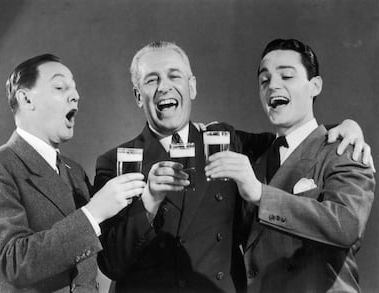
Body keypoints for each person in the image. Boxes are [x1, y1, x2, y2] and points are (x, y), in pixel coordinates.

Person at [94, 41, 370, 293]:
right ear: (138, 95)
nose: (164, 86)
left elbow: (296, 140)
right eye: (151, 80)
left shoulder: (226, 141)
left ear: (192, 86)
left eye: (174, 75)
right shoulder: (117, 160)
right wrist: (149, 201)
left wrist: (347, 127)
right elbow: (111, 263)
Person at [0, 54, 146, 293]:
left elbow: (106, 255)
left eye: (74, 88)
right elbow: (12, 263)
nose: (76, 95)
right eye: (60, 87)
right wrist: (92, 214)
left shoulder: (75, 172)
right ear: (26, 99)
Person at [205, 39, 375, 293]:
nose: (273, 85)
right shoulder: (257, 155)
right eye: (265, 80)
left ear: (315, 85)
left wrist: (262, 195)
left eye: (286, 75)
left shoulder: (344, 147)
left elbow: (347, 225)